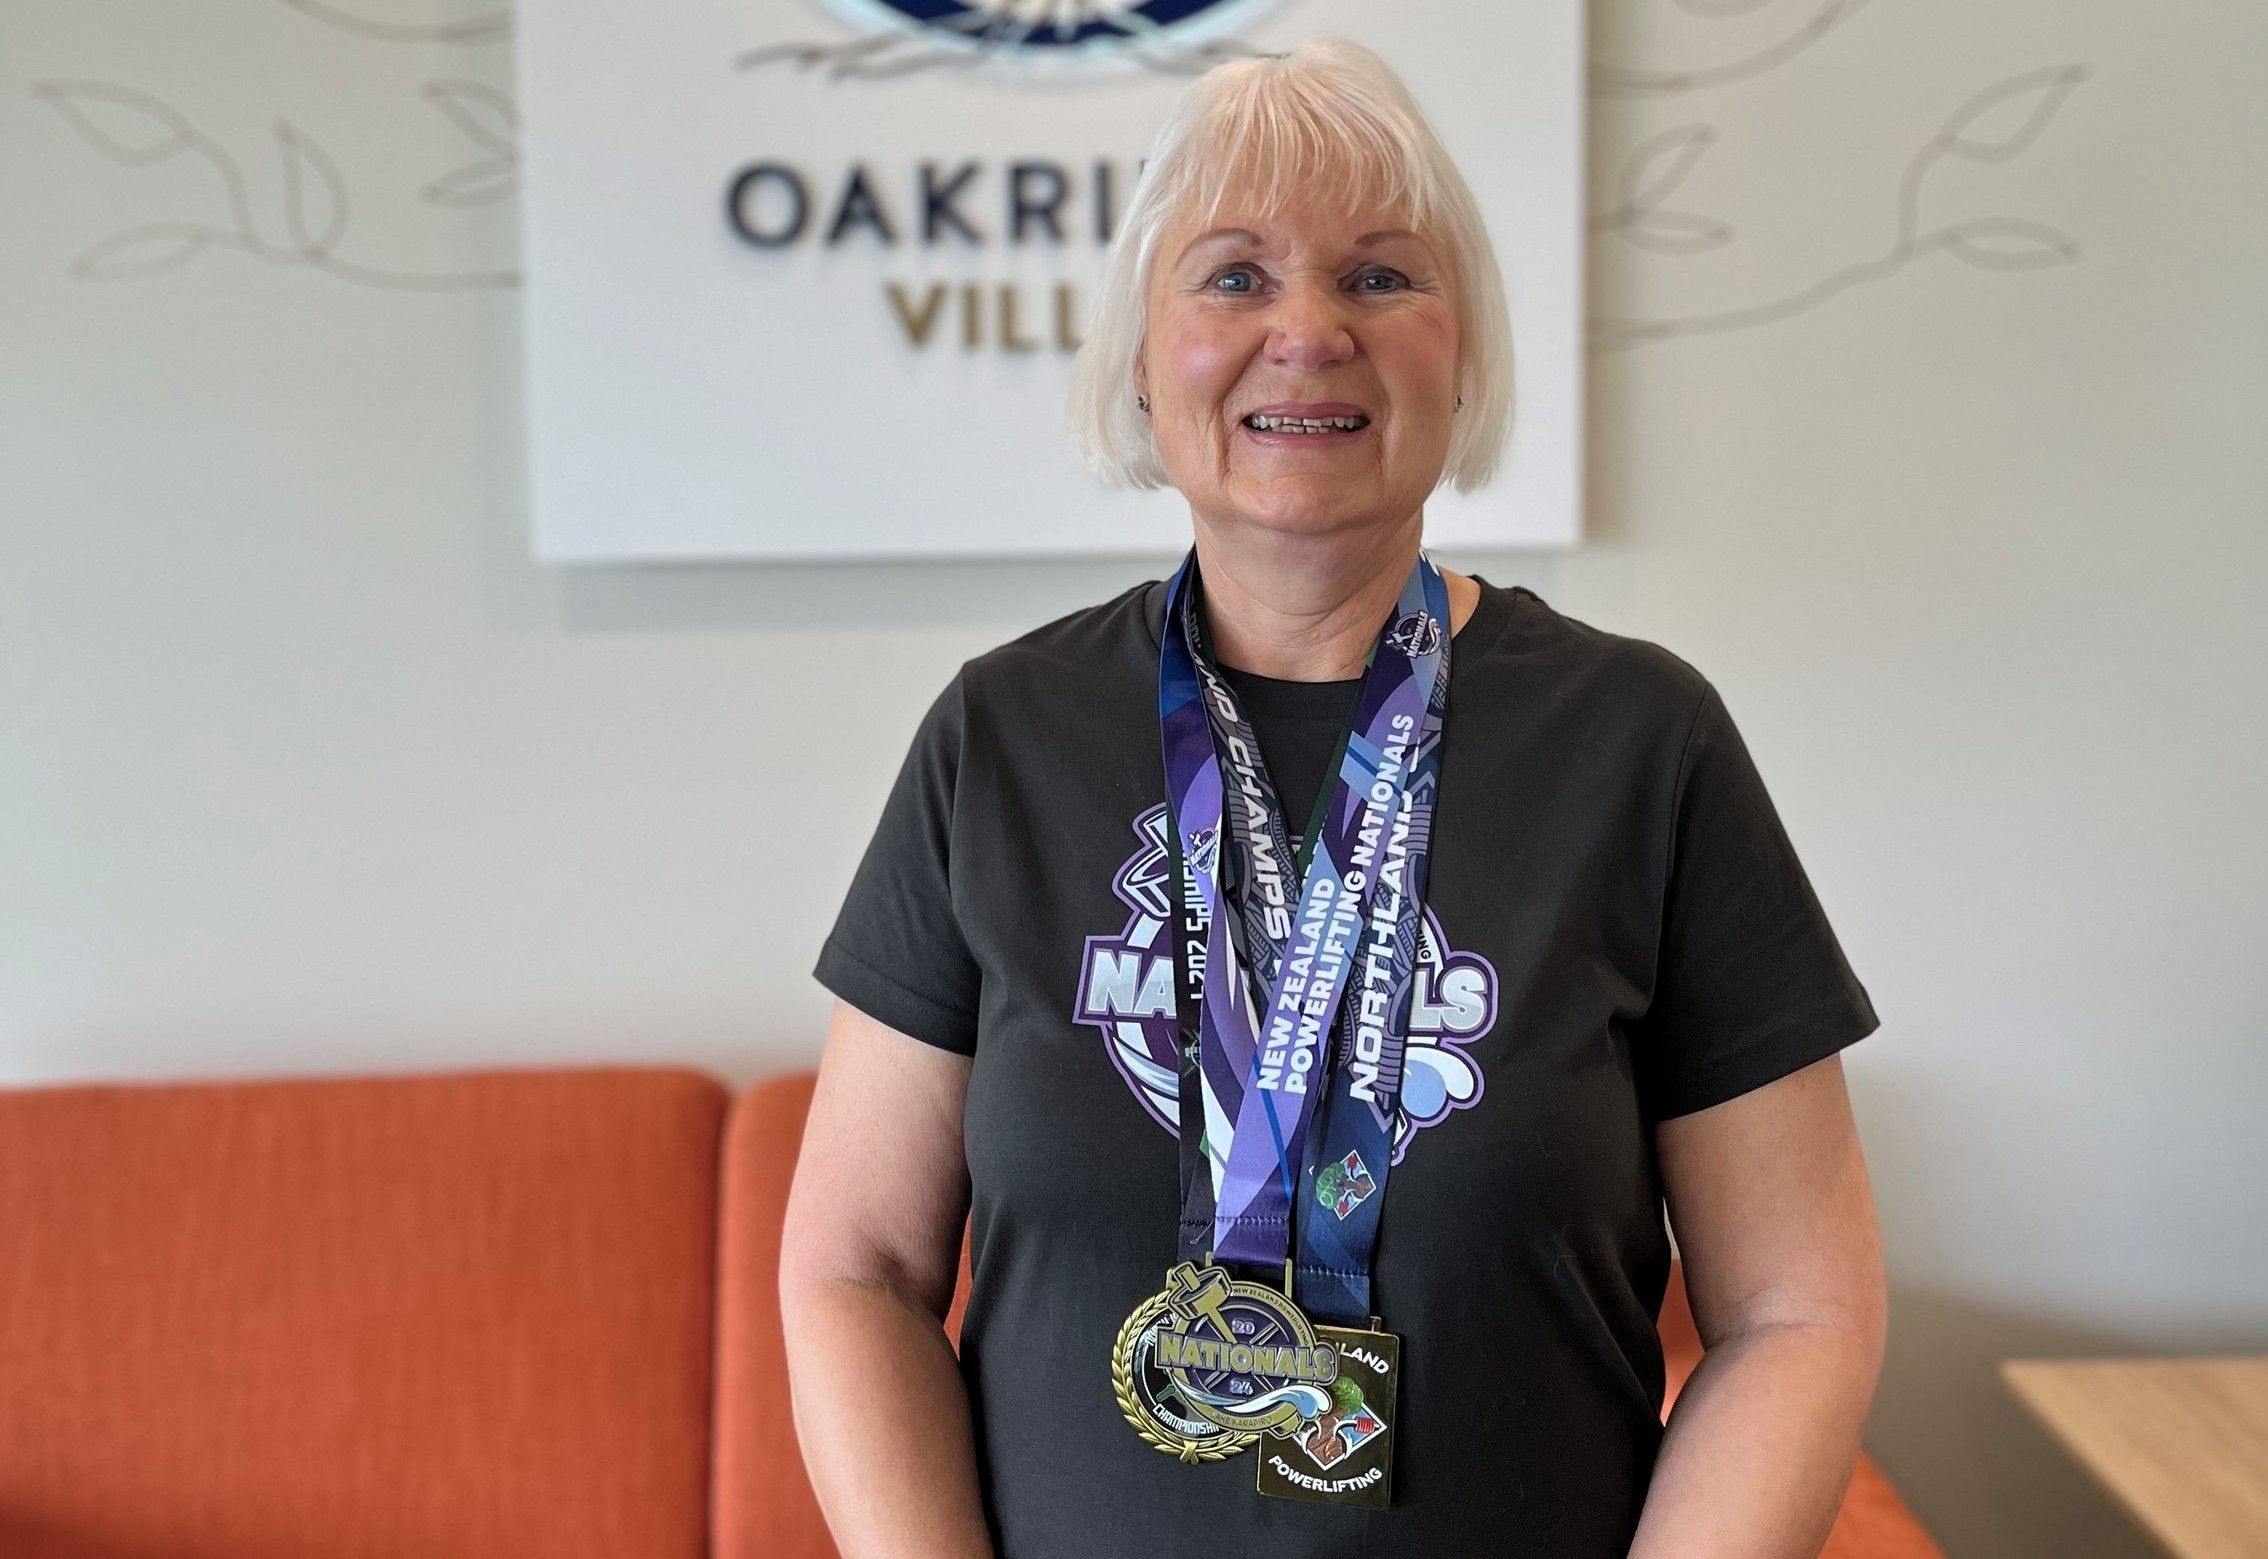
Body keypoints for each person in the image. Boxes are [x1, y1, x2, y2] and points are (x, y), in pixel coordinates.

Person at [779, 36, 1887, 1559]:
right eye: (1233, 277)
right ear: (1142, 351)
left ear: (1464, 352)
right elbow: (855, 1272)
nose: (1307, 332)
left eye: (1379, 277)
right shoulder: (1000, 737)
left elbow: (1798, 1310)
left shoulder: (1644, 744)